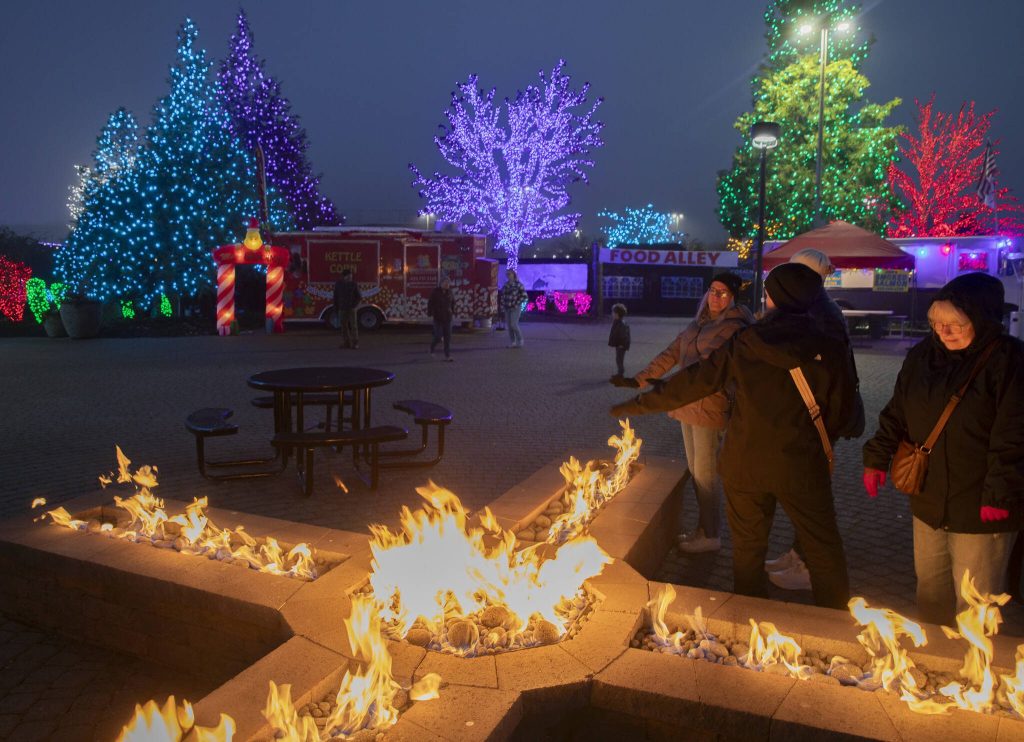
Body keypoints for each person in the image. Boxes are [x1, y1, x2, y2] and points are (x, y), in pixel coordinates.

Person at [611, 263, 855, 609]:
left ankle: (749, 617)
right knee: (822, 546)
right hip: (801, 462)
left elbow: (698, 379)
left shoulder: (748, 339)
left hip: (745, 461)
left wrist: (637, 405)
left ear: (775, 298)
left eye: (768, 294)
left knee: (748, 549)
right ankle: (835, 624)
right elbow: (845, 413)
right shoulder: (831, 343)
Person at [862, 272, 1024, 626]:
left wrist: (999, 494)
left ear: (981, 320)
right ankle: (935, 665)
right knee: (931, 592)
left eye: (955, 324)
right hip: (929, 499)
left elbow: (1014, 434)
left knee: (976, 602)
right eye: (937, 323)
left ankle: (975, 667)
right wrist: (877, 457)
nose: (944, 332)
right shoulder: (924, 355)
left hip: (981, 503)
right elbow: (897, 412)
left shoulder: (1009, 361)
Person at [629, 272, 752, 554]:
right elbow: (672, 353)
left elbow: (711, 369)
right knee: (696, 472)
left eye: (723, 292)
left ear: (733, 297)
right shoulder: (699, 323)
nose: (716, 297)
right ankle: (703, 529)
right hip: (688, 405)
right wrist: (641, 378)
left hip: (710, 405)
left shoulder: (735, 327)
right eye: (712, 290)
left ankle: (711, 534)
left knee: (706, 475)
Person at [766, 248, 863, 591]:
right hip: (812, 414)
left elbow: (825, 373)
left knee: (811, 491)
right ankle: (796, 553)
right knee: (805, 489)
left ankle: (809, 565)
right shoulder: (819, 306)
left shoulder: (820, 311)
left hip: (816, 416)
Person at [428, 277, 456, 361]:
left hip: (448, 318)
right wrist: (430, 313)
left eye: (448, 283)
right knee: (438, 336)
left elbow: (453, 302)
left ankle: (447, 356)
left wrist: (452, 311)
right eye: (445, 283)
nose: (447, 284)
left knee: (447, 337)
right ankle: (432, 348)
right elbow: (430, 303)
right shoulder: (435, 292)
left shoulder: (450, 292)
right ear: (441, 283)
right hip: (438, 318)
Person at [333, 269, 362, 349]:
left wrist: (354, 305)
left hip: (351, 308)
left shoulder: (354, 284)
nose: (350, 277)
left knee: (354, 326)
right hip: (342, 308)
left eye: (351, 276)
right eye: (348, 276)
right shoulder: (338, 284)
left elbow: (359, 297)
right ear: (344, 276)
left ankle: (355, 343)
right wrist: (336, 308)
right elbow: (335, 297)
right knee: (343, 326)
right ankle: (346, 343)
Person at [501, 269, 529, 348]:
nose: (508, 275)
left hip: (515, 308)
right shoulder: (506, 285)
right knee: (509, 326)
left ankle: (520, 340)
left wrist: (516, 304)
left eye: (509, 274)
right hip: (507, 308)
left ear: (513, 275)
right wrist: (502, 306)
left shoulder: (518, 285)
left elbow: (524, 296)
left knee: (514, 324)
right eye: (507, 274)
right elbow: (503, 296)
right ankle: (513, 342)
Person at [608, 303, 631, 381]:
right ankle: (620, 373)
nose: (612, 314)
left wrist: (621, 344)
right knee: (618, 359)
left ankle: (620, 374)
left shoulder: (621, 323)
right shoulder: (617, 321)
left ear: (617, 314)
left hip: (621, 345)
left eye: (613, 312)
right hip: (619, 344)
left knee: (619, 359)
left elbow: (624, 336)